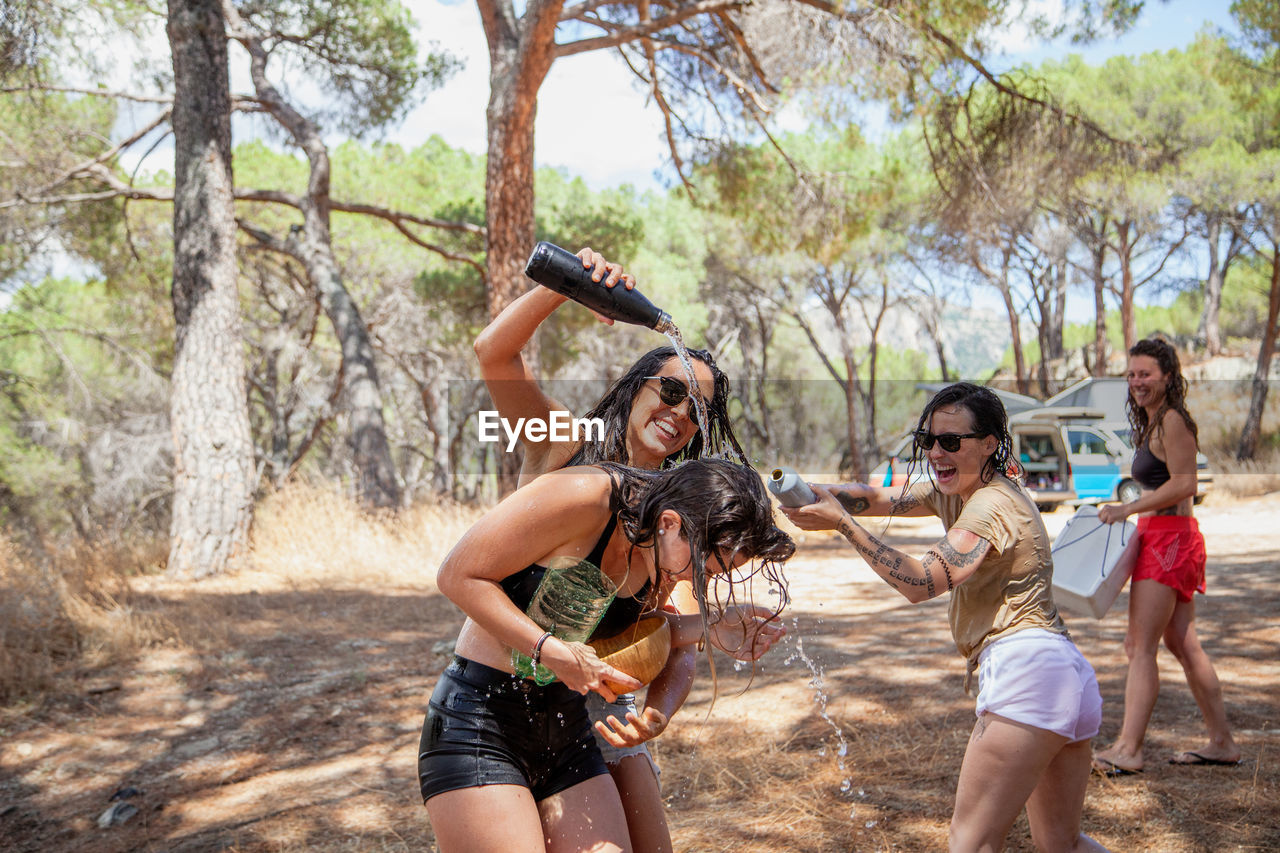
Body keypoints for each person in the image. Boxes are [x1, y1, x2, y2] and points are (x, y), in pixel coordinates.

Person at [472, 248, 782, 853]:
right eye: (670, 389)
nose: (678, 413)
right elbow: (492, 353)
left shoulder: (683, 520)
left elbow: (680, 639)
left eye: (697, 410)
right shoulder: (567, 447)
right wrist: (573, 287)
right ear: (638, 386)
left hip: (597, 715)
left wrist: (673, 692)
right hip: (504, 696)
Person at [780, 382, 1108, 853]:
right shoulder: (958, 490)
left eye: (952, 441)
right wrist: (812, 492)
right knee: (1063, 844)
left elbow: (921, 582)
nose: (936, 452)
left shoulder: (990, 506)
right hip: (1063, 674)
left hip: (1029, 674)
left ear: (990, 443)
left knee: (969, 843)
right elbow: (877, 497)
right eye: (928, 440)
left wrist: (842, 526)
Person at [418, 458, 795, 852]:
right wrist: (553, 653)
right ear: (669, 523)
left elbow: (630, 631)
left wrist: (712, 624)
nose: (695, 581)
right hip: (479, 723)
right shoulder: (586, 494)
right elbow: (457, 575)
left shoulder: (660, 550)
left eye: (714, 576)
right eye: (701, 568)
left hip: (566, 729)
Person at [1091, 338, 1240, 775]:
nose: (1137, 382)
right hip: (1162, 536)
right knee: (1181, 642)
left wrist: (1126, 507)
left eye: (1146, 374)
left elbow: (1186, 484)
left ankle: (1128, 749)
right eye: (1132, 374)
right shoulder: (1154, 421)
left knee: (1140, 645)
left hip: (1170, 540)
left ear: (1168, 377)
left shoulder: (1173, 420)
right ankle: (1222, 742)